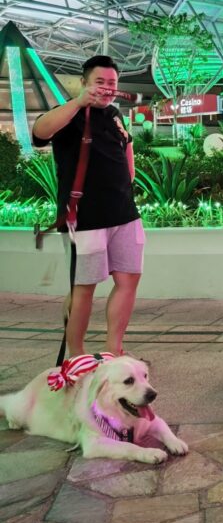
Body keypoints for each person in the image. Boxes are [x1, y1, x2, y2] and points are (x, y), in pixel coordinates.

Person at [32, 55, 143, 357]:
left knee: (129, 278)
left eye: (112, 83)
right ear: (83, 83)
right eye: (99, 82)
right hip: (85, 219)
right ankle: (76, 357)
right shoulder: (70, 114)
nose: (106, 88)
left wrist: (128, 170)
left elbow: (128, 151)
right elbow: (40, 131)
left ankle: (113, 352)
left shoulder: (115, 114)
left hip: (125, 214)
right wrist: (79, 102)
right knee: (84, 287)